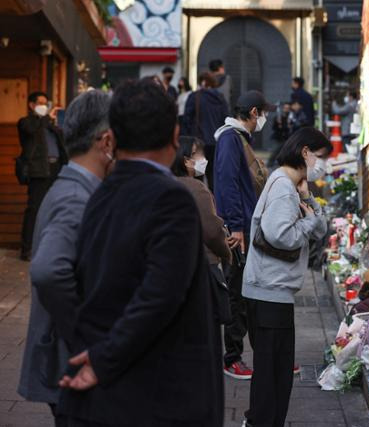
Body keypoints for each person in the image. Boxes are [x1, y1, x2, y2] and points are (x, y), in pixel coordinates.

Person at [57, 80, 224, 426]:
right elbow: (160, 294)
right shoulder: (171, 198)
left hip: (108, 393)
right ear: (176, 135)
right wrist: (104, 357)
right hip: (155, 394)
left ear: (113, 137)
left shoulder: (100, 192)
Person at [17, 90, 112, 427]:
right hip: (72, 363)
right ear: (106, 141)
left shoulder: (75, 188)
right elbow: (48, 271)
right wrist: (89, 336)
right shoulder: (75, 196)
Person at [242, 127, 331, 427]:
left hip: (272, 292)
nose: (322, 165)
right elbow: (279, 234)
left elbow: (320, 229)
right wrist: (307, 222)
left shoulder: (292, 186)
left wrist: (310, 201)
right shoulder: (282, 186)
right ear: (305, 152)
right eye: (320, 157)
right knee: (272, 377)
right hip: (269, 291)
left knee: (276, 375)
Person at [213, 90, 274, 380]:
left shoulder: (237, 139)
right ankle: (231, 357)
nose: (264, 118)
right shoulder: (229, 139)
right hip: (240, 231)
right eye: (263, 112)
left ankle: (256, 354)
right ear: (253, 113)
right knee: (237, 294)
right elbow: (226, 185)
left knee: (247, 293)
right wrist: (236, 226)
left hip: (247, 227)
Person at [17, 91, 68, 261]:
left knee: (55, 209)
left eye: (46, 103)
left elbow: (62, 144)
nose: (44, 106)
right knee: (35, 209)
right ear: (32, 105)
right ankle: (27, 249)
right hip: (38, 170)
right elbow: (31, 130)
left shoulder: (49, 125)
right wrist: (45, 119)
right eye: (41, 103)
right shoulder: (26, 122)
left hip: (55, 169)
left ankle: (48, 247)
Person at [172, 135, 231, 267]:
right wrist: (227, 254)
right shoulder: (197, 188)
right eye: (198, 154)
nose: (203, 158)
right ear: (186, 160)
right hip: (204, 261)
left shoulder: (168, 183)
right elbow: (212, 232)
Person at [184, 72, 229, 191]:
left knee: (198, 177)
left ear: (201, 82)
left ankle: (201, 204)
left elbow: (187, 119)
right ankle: (213, 204)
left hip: (199, 145)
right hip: (216, 144)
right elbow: (226, 119)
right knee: (213, 176)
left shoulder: (195, 97)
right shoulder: (221, 98)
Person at [268, 102, 291, 168]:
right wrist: (278, 124)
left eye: (288, 108)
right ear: (283, 109)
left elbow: (290, 128)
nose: (286, 110)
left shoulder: (290, 117)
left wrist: (288, 125)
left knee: (285, 152)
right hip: (279, 137)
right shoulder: (278, 117)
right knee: (276, 150)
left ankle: (283, 164)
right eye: (285, 108)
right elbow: (274, 128)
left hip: (287, 137)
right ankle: (270, 164)